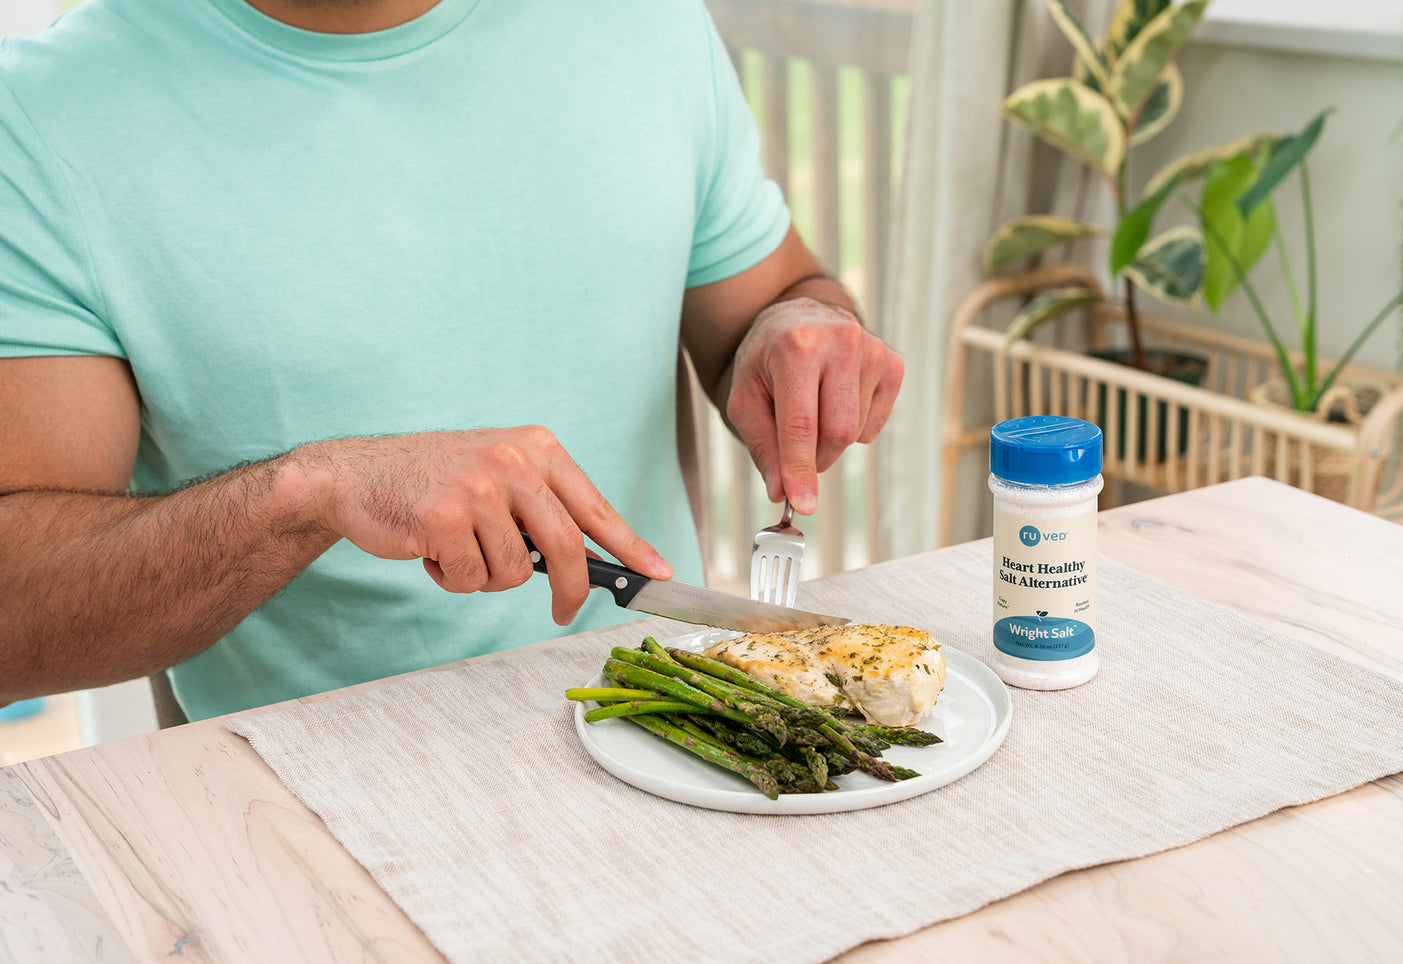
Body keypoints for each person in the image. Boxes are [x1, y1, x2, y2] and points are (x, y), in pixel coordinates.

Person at [0, 0, 904, 720]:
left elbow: (773, 295)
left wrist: (798, 325)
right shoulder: (45, 114)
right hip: (317, 788)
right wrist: (311, 491)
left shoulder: (643, 19)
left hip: (674, 718)